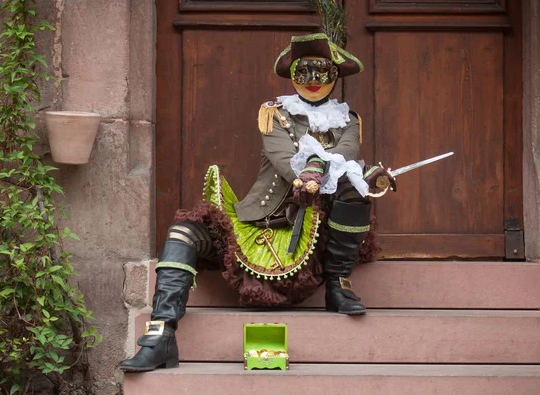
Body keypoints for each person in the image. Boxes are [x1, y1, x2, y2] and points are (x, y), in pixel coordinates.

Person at [119, 32, 396, 372]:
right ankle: (160, 335)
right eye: (303, 71)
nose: (312, 81)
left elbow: (347, 152)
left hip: (315, 242)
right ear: (292, 74)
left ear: (335, 76)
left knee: (355, 183)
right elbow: (283, 157)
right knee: (183, 232)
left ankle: (338, 286)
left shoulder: (347, 120)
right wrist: (309, 167)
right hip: (260, 226)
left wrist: (340, 170)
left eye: (321, 71)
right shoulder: (274, 114)